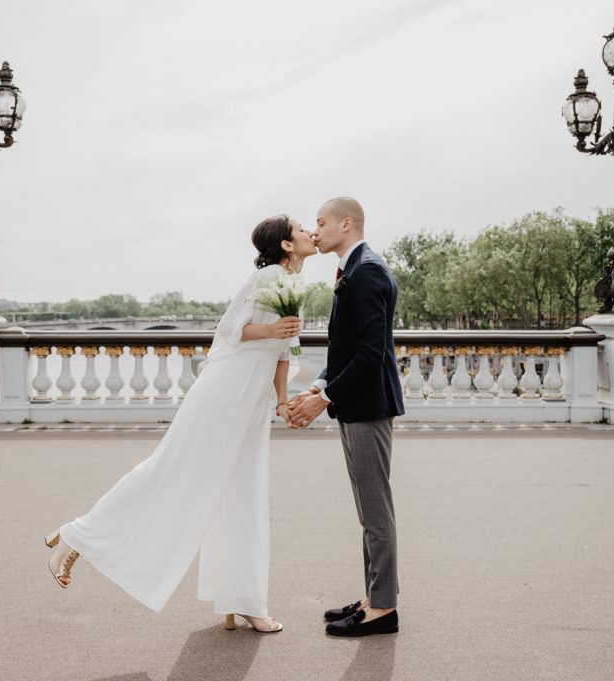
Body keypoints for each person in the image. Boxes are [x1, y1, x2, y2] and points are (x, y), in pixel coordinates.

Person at [44, 214, 317, 633]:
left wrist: (281, 402)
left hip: (253, 399)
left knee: (245, 492)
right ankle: (77, 535)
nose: (310, 233)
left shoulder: (294, 285)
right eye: (301, 229)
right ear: (284, 244)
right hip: (225, 393)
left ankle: (240, 599)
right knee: (170, 470)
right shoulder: (263, 278)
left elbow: (284, 352)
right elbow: (229, 331)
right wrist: (272, 327)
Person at [288, 197, 405, 637]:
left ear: (346, 223)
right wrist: (319, 386)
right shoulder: (354, 269)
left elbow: (371, 353)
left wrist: (325, 399)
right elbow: (348, 349)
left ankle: (383, 609)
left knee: (376, 511)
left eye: (320, 223)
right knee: (367, 508)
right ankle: (373, 596)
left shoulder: (367, 270)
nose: (315, 232)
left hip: (367, 405)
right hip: (356, 402)